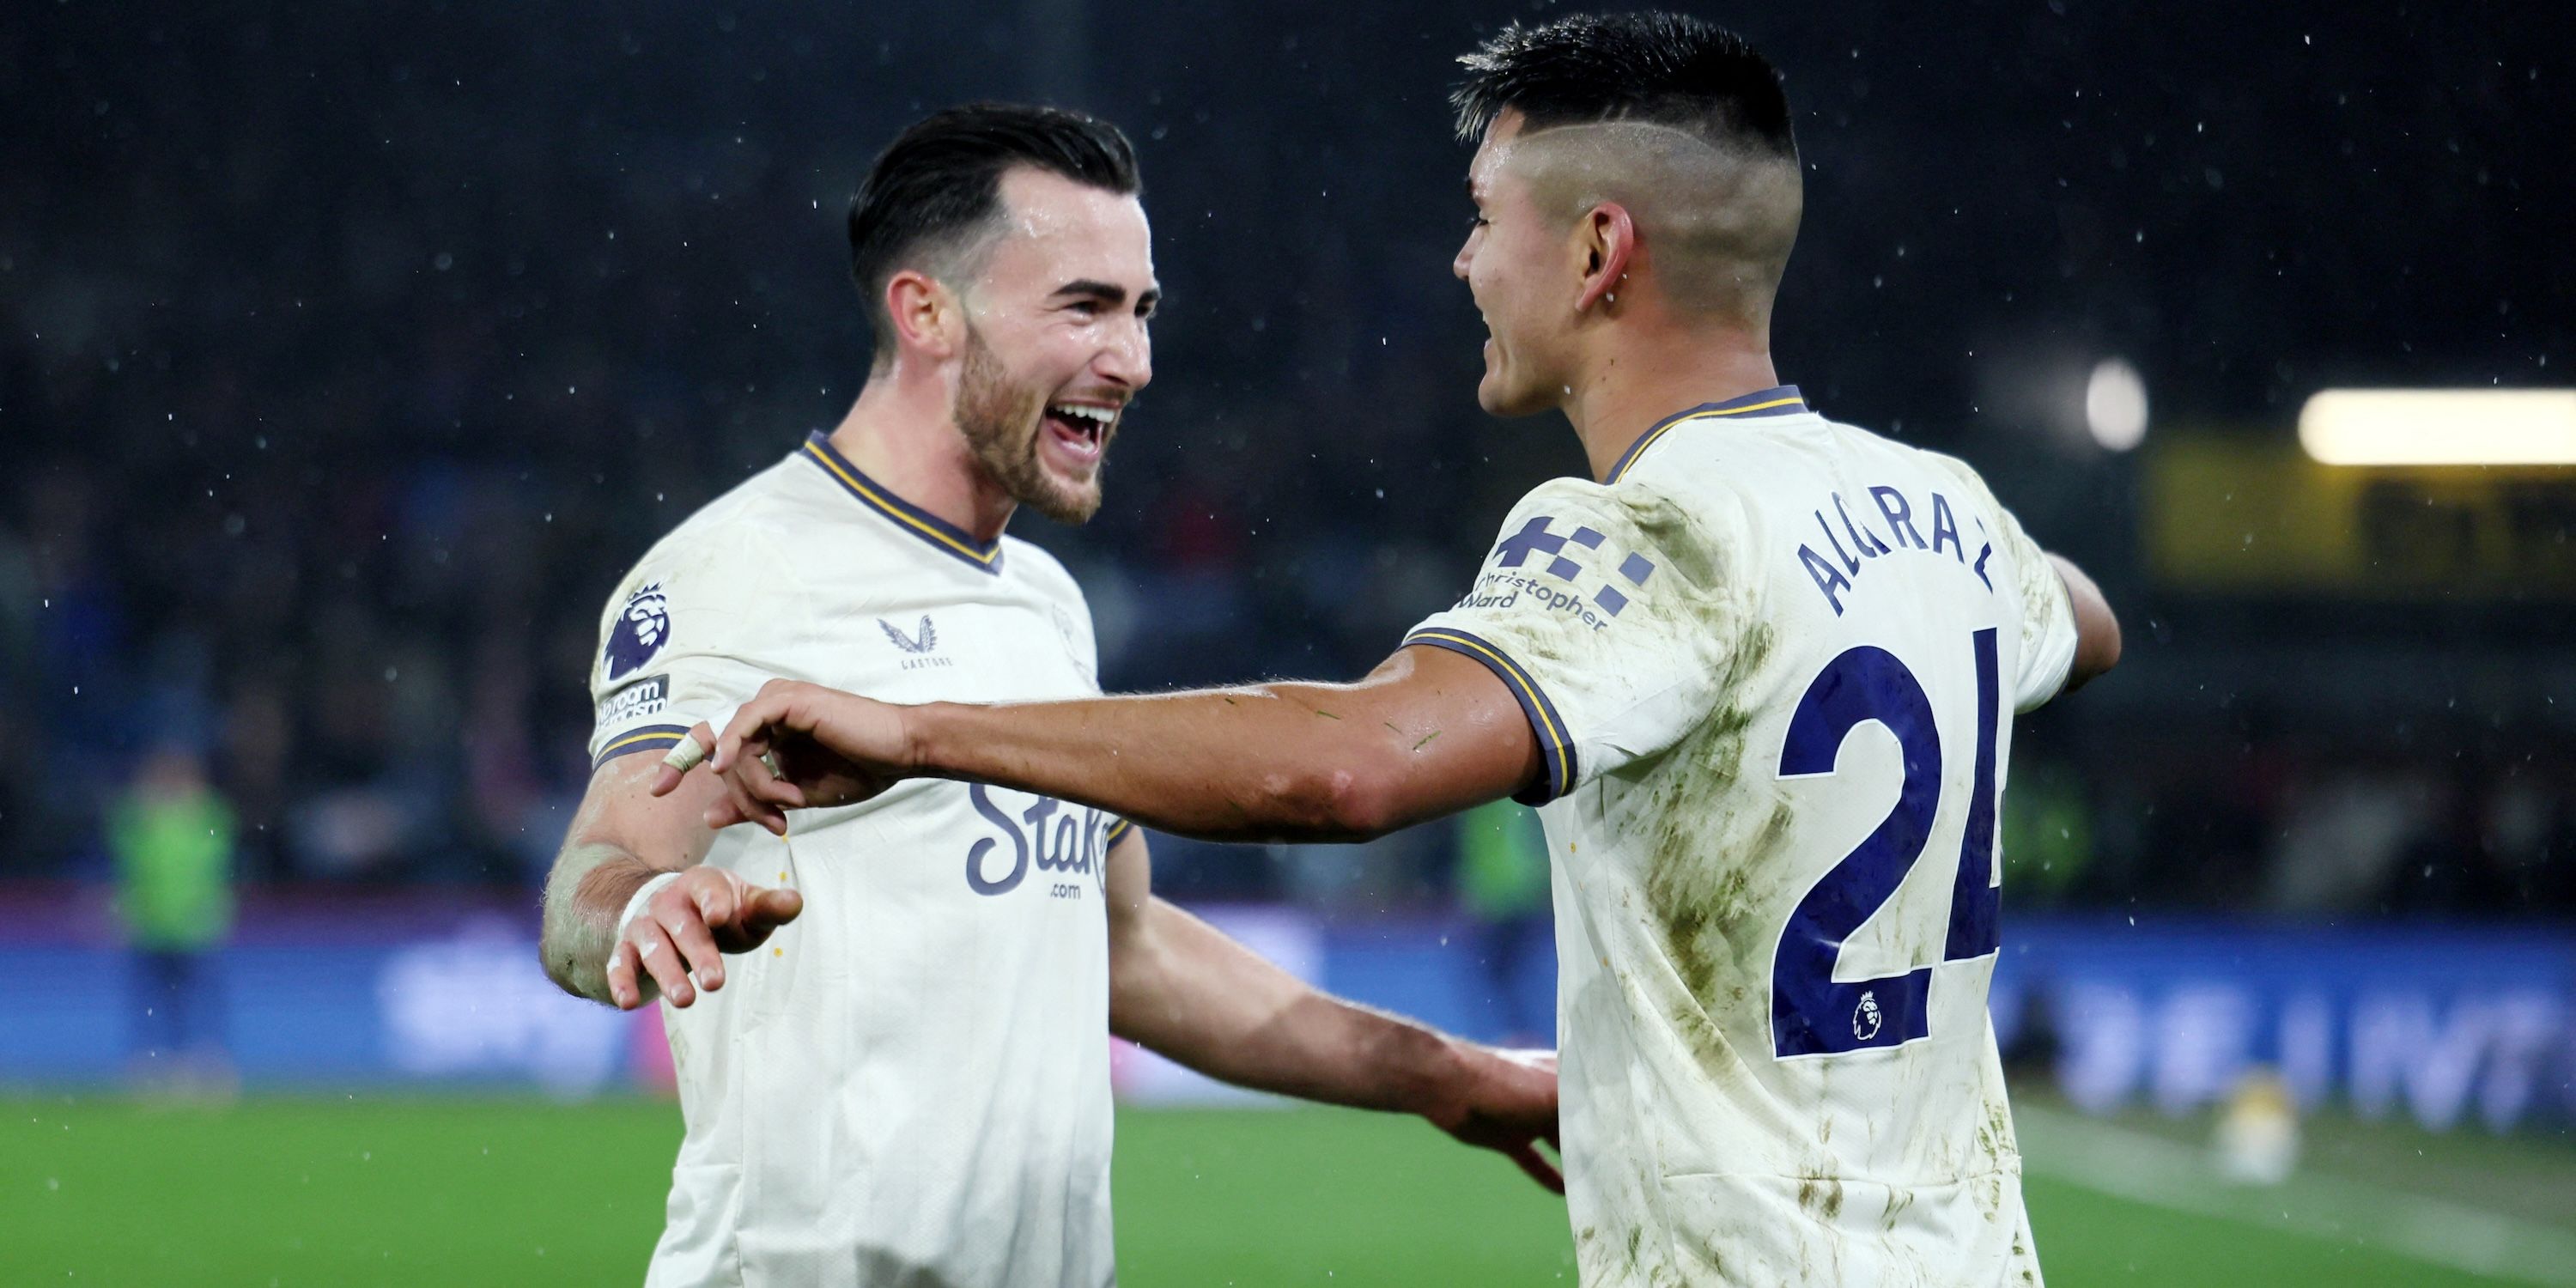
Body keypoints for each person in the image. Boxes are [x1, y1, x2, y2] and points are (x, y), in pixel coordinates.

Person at [664, 15, 2123, 1286]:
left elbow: (1345, 770)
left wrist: (921, 731)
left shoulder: (1643, 531)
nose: (1465, 257)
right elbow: (2089, 623)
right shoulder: (1942, 512)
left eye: (1488, 216)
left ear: (1601, 250)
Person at [536, 103, 1558, 1288]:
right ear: (925, 312)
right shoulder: (744, 571)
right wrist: (640, 902)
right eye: (1084, 306)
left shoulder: (1044, 602)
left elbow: (1124, 950)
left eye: (1141, 310)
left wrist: (1444, 1074)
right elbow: (593, 868)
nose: (1133, 361)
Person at [109, 743, 239, 1091]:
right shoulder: (138, 817)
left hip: (196, 927)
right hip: (150, 927)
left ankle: (204, 1062)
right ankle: (153, 1062)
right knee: (151, 999)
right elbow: (126, 864)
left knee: (198, 998)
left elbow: (218, 865)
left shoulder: (208, 815)